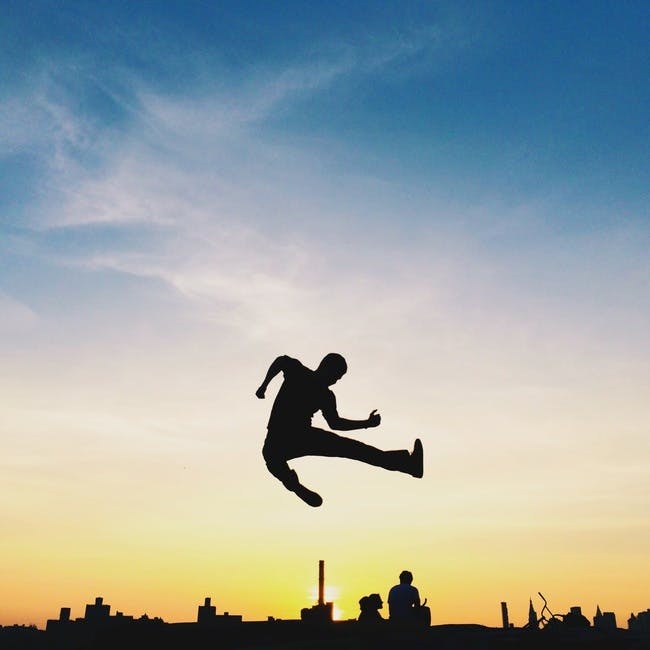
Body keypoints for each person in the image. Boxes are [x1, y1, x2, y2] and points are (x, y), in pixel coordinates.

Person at [256, 353, 423, 507]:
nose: (336, 380)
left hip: (297, 436)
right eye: (336, 375)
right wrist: (264, 386)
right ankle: (296, 487)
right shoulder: (300, 373)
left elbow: (335, 423)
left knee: (356, 450)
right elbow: (281, 361)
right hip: (293, 436)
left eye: (339, 378)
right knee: (271, 456)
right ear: (326, 367)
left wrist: (366, 423)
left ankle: (408, 464)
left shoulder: (324, 394)